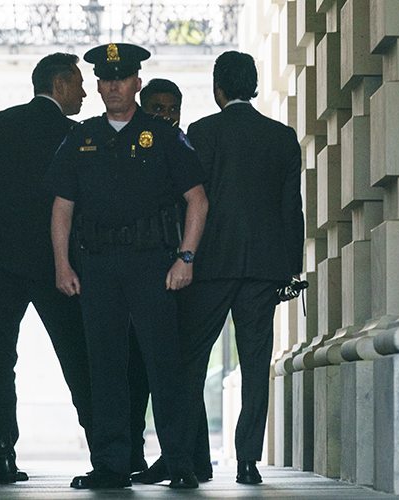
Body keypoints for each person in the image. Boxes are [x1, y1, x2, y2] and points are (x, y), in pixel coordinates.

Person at [49, 43, 209, 490]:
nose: (113, 85)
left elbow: (197, 199)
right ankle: (112, 465)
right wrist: (62, 264)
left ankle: (179, 461)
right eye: (105, 78)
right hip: (97, 266)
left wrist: (186, 257)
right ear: (98, 85)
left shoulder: (162, 135)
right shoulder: (81, 137)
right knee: (105, 366)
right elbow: (62, 206)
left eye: (122, 78)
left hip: (153, 265)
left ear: (136, 83)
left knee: (164, 366)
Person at [0, 53, 92, 484]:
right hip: (57, 266)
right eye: (77, 84)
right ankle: (108, 453)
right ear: (58, 85)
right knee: (79, 358)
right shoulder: (75, 135)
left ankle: (0, 453)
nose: (84, 92)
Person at [181, 50, 304, 484]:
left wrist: (184, 255)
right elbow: (293, 209)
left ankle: (189, 457)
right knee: (255, 363)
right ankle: (248, 460)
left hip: (211, 263)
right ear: (253, 85)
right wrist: (293, 270)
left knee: (191, 360)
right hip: (264, 267)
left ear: (218, 89)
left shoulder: (201, 132)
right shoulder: (282, 136)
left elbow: (191, 201)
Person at [128, 78, 214, 485]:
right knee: (149, 368)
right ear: (144, 108)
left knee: (180, 368)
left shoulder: (184, 146)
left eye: (172, 108)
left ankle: (189, 457)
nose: (166, 115)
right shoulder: (137, 147)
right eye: (157, 108)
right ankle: (161, 455)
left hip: (185, 272)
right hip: (147, 269)